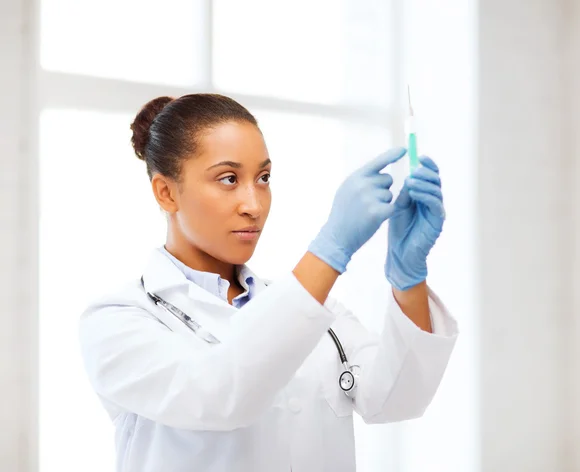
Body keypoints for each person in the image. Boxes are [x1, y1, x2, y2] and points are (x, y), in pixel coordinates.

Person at [79, 93, 458, 472]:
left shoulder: (313, 311)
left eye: (263, 178)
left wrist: (409, 278)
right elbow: (220, 394)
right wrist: (330, 249)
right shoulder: (118, 320)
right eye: (228, 179)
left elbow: (397, 399)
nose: (254, 205)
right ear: (166, 192)